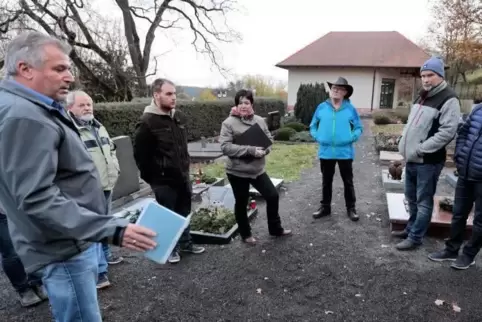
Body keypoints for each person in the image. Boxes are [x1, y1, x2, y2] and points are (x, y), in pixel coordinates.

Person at [0, 31, 157, 322]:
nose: (69, 76)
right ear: (25, 69)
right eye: (59, 68)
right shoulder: (26, 116)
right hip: (64, 246)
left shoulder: (29, 107)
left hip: (67, 239)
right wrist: (113, 229)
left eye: (68, 68)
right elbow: (36, 197)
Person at [133, 78, 205, 264]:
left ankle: (186, 244)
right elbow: (141, 156)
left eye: (174, 93)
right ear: (156, 95)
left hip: (182, 176)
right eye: (168, 94)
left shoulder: (177, 117)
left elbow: (181, 147)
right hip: (164, 181)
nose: (174, 98)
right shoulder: (147, 122)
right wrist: (156, 180)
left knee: (184, 212)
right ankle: (170, 249)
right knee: (167, 217)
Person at [395, 56, 461, 250]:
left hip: (428, 161)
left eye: (430, 75)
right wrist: (403, 143)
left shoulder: (449, 99)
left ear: (440, 75)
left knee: (424, 201)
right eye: (423, 75)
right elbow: (411, 125)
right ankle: (410, 228)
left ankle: (415, 238)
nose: (425, 79)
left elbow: (447, 132)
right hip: (413, 159)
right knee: (411, 198)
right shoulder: (422, 95)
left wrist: (420, 149)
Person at [66, 90, 123, 289]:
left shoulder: (99, 127)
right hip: (87, 191)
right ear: (69, 108)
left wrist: (115, 168)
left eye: (89, 104)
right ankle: (100, 272)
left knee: (105, 222)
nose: (87, 108)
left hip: (106, 185)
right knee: (94, 229)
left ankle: (105, 257)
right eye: (82, 105)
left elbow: (112, 150)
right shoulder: (71, 131)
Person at [218, 89, 292, 244]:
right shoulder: (228, 123)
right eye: (240, 103)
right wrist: (250, 150)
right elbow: (225, 147)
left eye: (246, 102)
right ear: (236, 105)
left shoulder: (259, 120)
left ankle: (275, 229)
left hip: (257, 170)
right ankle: (246, 235)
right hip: (237, 171)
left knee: (272, 196)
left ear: (251, 104)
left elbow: (269, 138)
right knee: (241, 202)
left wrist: (266, 149)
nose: (243, 105)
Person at [428, 103, 482, 269]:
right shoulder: (478, 109)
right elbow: (464, 133)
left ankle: (469, 255)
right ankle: (451, 250)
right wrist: (459, 156)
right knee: (458, 214)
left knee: (480, 221)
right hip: (466, 173)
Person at [309, 77, 363, 222]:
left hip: (345, 152)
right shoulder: (321, 107)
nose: (336, 91)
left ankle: (351, 208)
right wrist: (317, 136)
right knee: (326, 181)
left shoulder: (350, 109)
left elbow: (358, 127)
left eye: (339, 89)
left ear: (345, 92)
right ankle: (325, 207)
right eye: (334, 88)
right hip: (326, 152)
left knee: (348, 181)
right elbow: (313, 125)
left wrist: (352, 137)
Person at [0, 207, 48, 307]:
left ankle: (37, 281)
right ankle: (24, 289)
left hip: (15, 201)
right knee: (9, 250)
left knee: (29, 240)